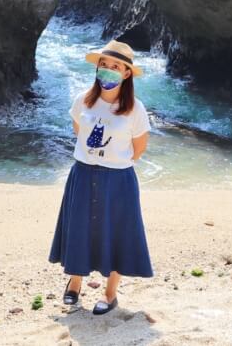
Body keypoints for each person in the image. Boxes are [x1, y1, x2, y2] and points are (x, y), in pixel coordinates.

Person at [48, 39, 154, 316]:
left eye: (115, 66)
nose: (107, 70)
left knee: (116, 234)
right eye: (103, 65)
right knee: (79, 229)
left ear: (127, 73)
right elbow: (78, 131)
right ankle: (74, 283)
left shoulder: (135, 109)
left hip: (119, 180)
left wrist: (113, 163)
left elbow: (139, 148)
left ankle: (110, 294)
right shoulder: (82, 100)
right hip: (82, 174)